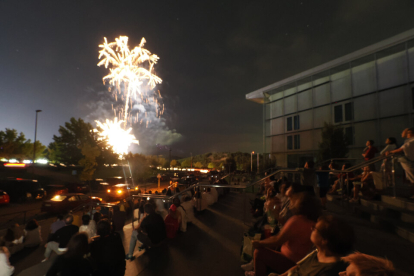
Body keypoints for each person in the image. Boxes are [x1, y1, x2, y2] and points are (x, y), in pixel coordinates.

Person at [250, 193, 322, 276]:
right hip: (299, 261)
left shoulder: (297, 220)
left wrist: (258, 243)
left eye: (292, 201)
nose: (289, 203)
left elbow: (278, 240)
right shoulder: (312, 221)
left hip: (292, 262)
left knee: (259, 252)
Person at [279, 215, 354, 276]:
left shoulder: (329, 270)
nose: (311, 228)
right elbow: (298, 267)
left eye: (315, 228)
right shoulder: (318, 252)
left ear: (324, 240)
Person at [387, 127, 414, 198]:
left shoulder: (412, 140)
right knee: (411, 177)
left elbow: (401, 149)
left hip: (409, 161)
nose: (406, 134)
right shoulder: (409, 140)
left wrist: (390, 152)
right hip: (409, 160)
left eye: (408, 133)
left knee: (412, 177)